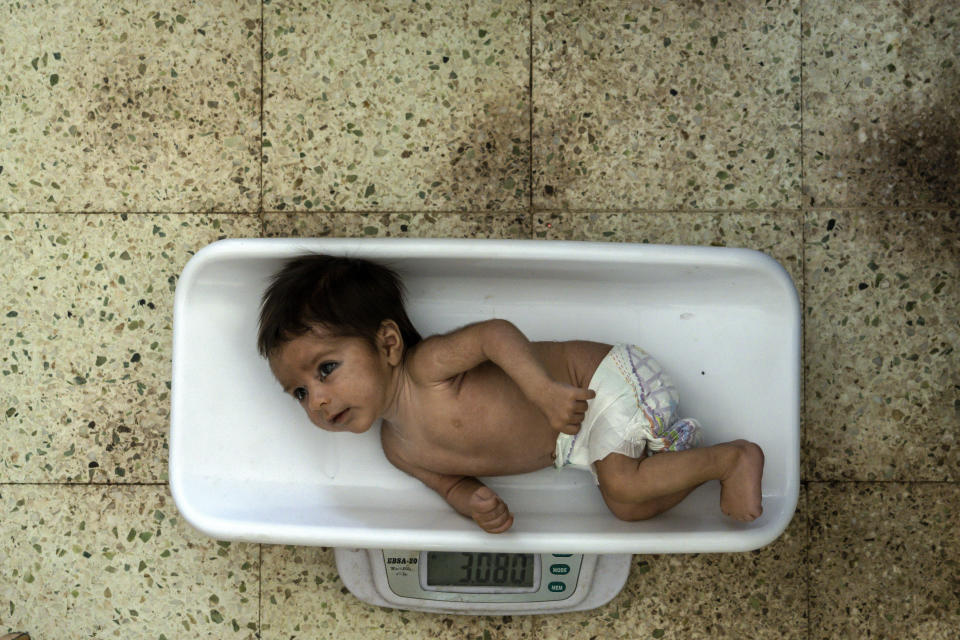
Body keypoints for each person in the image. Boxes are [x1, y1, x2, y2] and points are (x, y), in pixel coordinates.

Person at [257, 254, 764, 533]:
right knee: (627, 508)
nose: (318, 400)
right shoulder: (398, 449)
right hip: (579, 442)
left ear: (387, 343)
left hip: (597, 381)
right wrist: (472, 503)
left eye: (326, 369)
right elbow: (449, 485)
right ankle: (683, 459)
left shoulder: (426, 367)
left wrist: (543, 391)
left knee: (625, 489)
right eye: (298, 392)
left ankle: (732, 459)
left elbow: (494, 333)